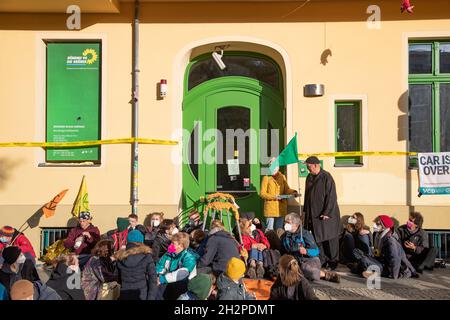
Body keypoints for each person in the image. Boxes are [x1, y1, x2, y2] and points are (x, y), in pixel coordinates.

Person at [303, 156, 341, 270]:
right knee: (317, 239)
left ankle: (333, 262)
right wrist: (305, 213)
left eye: (309, 167)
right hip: (313, 216)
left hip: (326, 216)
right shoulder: (309, 178)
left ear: (316, 165)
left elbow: (331, 196)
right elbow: (307, 197)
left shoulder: (326, 177)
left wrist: (327, 212)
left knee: (329, 240)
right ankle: (323, 260)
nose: (308, 169)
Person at [281, 213, 340, 283]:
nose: (285, 224)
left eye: (288, 222)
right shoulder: (285, 236)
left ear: (295, 224)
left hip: (310, 259)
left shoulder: (305, 234)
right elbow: (288, 248)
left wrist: (306, 251)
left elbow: (316, 251)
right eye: (285, 222)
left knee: (305, 269)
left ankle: (325, 274)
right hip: (296, 260)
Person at [354, 215, 417, 279]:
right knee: (357, 252)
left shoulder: (390, 241)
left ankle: (372, 272)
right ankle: (366, 270)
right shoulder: (378, 234)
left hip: (388, 267)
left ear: (384, 226)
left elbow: (395, 259)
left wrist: (394, 275)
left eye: (377, 224)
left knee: (364, 260)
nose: (375, 225)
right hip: (380, 261)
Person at [115, 230, 157, 300]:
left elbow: (118, 278)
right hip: (141, 294)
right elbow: (153, 279)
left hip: (124, 294)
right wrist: (151, 297)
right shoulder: (146, 256)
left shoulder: (120, 257)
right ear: (141, 241)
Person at [156, 232, 199, 300]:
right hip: (168, 281)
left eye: (173, 243)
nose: (170, 245)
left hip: (183, 284)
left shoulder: (189, 257)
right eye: (171, 242)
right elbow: (160, 265)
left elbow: (182, 273)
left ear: (181, 246)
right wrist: (159, 275)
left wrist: (163, 279)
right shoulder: (169, 253)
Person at [260, 157, 298, 232]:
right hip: (270, 208)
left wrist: (293, 192)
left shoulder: (282, 177)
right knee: (269, 230)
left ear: (278, 167)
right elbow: (262, 193)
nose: (273, 168)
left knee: (279, 230)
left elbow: (287, 189)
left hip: (281, 207)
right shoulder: (266, 177)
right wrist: (274, 197)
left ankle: (279, 243)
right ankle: (269, 243)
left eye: (274, 166)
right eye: (271, 166)